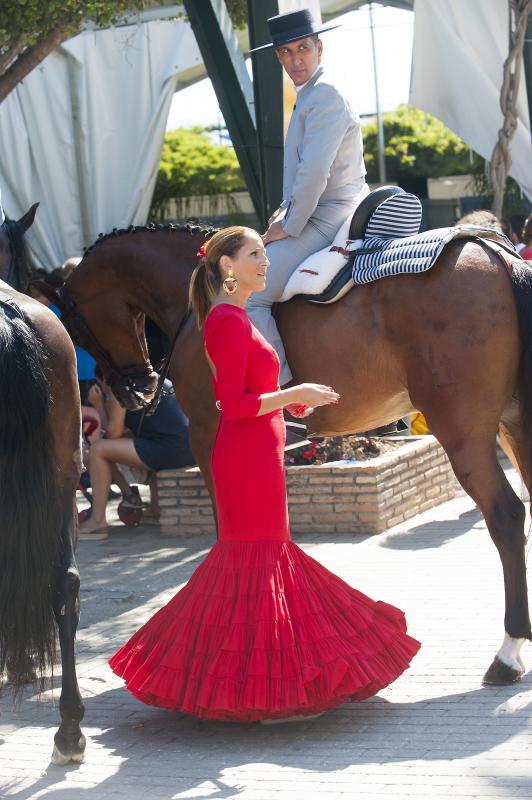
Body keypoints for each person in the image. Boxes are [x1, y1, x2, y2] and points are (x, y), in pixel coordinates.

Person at [109, 226, 420, 722]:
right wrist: (298, 394)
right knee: (254, 564)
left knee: (259, 564)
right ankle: (259, 691)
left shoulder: (237, 317)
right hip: (245, 459)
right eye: (255, 253)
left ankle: (265, 684)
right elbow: (233, 405)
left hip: (257, 452)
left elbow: (250, 397)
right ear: (227, 266)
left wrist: (285, 406)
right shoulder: (228, 321)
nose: (265, 261)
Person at [246, 10, 369, 442]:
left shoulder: (326, 95)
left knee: (249, 292)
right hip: (313, 210)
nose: (295, 58)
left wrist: (290, 224)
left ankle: (287, 401)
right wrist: (282, 216)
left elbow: (315, 174)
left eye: (302, 48)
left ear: (320, 47)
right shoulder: (310, 93)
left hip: (327, 214)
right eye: (286, 51)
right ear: (278, 56)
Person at [78, 372, 194, 539]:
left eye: (101, 386)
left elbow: (112, 433)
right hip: (187, 448)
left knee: (98, 450)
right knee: (115, 445)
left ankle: (97, 521)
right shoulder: (148, 379)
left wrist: (99, 405)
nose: (103, 391)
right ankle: (155, 509)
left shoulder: (121, 386)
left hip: (170, 449)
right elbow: (119, 431)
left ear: (105, 381)